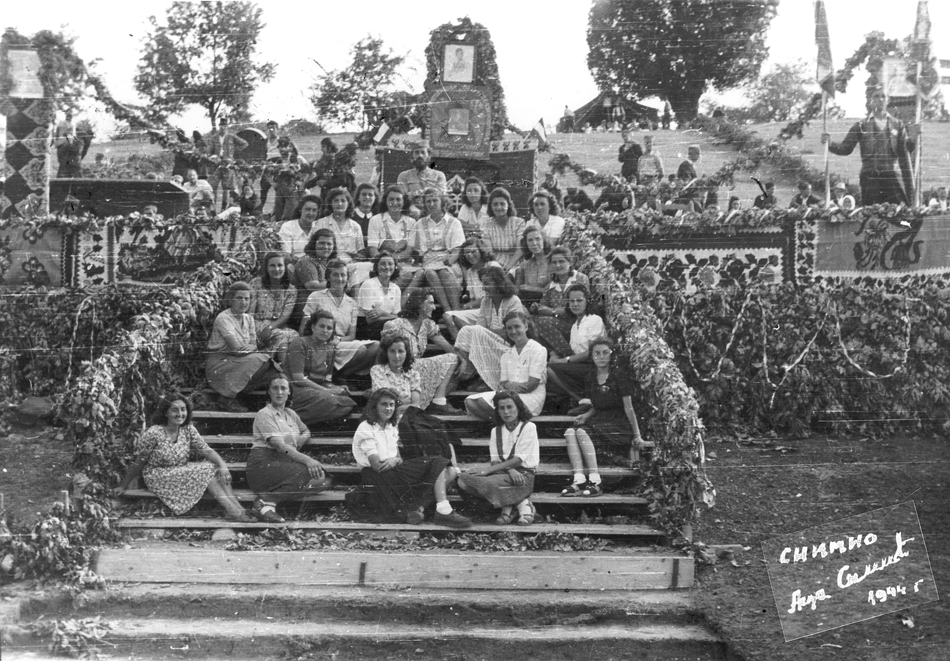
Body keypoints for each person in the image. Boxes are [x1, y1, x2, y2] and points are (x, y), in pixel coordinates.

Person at [113, 393, 253, 522]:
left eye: (183, 409)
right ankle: (233, 511)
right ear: (165, 412)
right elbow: (139, 461)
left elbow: (206, 450)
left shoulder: (187, 429)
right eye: (175, 410)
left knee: (215, 467)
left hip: (180, 471)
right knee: (206, 470)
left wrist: (222, 465)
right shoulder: (154, 433)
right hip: (158, 475)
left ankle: (240, 509)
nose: (180, 414)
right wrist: (123, 486)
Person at [352, 388, 471, 527]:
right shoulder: (366, 428)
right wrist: (395, 460)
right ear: (374, 406)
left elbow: (398, 458)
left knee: (450, 471)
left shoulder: (390, 426)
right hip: (378, 477)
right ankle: (443, 511)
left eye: (391, 405)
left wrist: (396, 460)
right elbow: (377, 465)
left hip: (392, 472)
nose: (388, 408)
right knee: (437, 462)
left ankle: (419, 509)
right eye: (383, 404)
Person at [561, 338, 645, 497]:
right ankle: (579, 480)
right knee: (570, 432)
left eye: (605, 353)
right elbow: (597, 404)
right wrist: (586, 415)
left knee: (581, 432)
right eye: (597, 353)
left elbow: (629, 408)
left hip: (618, 423)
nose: (601, 357)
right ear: (592, 356)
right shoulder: (590, 377)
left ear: (611, 355)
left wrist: (637, 435)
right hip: (600, 420)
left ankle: (595, 481)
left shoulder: (619, 376)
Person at [247, 376, 333, 523]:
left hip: (283, 465)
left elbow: (306, 431)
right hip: (263, 466)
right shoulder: (265, 414)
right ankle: (265, 503)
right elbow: (279, 446)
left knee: (324, 480)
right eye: (275, 388)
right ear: (269, 392)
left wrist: (299, 441)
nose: (279, 392)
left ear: (289, 392)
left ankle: (267, 502)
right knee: (308, 473)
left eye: (283, 388)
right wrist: (308, 460)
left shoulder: (290, 414)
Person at [822, 86, 917, 206]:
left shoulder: (898, 125)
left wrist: (915, 137)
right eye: (876, 96)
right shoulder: (861, 125)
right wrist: (829, 143)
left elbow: (905, 155)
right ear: (870, 101)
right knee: (871, 212)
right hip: (870, 177)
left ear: (888, 100)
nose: (880, 99)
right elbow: (846, 148)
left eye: (883, 96)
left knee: (900, 211)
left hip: (891, 177)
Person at [457, 391, 538, 526]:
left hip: (523, 476)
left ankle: (518, 506)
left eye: (510, 407)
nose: (506, 412)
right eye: (502, 408)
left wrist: (489, 470)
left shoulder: (529, 427)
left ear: (518, 408)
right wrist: (509, 470)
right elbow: (495, 459)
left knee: (487, 483)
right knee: (463, 481)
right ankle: (517, 502)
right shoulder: (496, 431)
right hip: (503, 472)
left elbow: (519, 459)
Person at [205, 282, 283, 413]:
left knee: (272, 371)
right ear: (231, 299)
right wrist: (249, 348)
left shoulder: (248, 319)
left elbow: (253, 346)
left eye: (247, 298)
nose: (244, 302)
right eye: (239, 298)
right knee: (261, 359)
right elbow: (236, 349)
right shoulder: (224, 318)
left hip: (240, 360)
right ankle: (227, 398)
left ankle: (238, 396)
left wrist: (248, 348)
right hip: (220, 364)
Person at [382, 289, 462, 415]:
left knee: (452, 358)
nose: (434, 307)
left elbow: (447, 347)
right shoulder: (395, 325)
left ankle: (438, 401)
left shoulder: (427, 325)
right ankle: (437, 402)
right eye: (430, 303)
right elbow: (383, 354)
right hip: (400, 369)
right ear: (419, 304)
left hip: (417, 368)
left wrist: (462, 359)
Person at [464, 310, 547, 421]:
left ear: (526, 327)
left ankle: (510, 423)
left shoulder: (538, 349)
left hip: (531, 397)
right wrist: (509, 385)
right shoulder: (506, 355)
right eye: (509, 328)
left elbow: (532, 385)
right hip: (510, 394)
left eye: (517, 326)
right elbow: (503, 382)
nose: (513, 331)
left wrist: (509, 388)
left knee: (482, 402)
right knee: (470, 401)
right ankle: (506, 423)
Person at [300, 260, 379, 375]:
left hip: (341, 343)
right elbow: (303, 329)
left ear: (347, 278)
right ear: (328, 277)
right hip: (320, 342)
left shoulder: (352, 303)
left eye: (343, 275)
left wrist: (338, 340)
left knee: (376, 346)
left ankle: (344, 373)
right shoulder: (316, 296)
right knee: (361, 350)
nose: (340, 278)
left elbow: (351, 336)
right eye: (335, 275)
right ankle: (339, 374)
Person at [454, 264, 525, 389]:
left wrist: (485, 333)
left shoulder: (513, 300)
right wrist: (484, 333)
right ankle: (476, 372)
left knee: (474, 331)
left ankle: (479, 375)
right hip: (492, 342)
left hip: (511, 345)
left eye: (487, 283)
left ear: (498, 283)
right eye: (483, 283)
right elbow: (480, 327)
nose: (483, 287)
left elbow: (513, 332)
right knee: (469, 331)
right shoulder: (486, 301)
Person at [285, 310, 358, 426]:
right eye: (321, 326)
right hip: (296, 388)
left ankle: (297, 421)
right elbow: (298, 378)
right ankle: (290, 421)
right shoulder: (300, 343)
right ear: (313, 327)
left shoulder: (330, 349)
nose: (325, 330)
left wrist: (335, 387)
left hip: (316, 390)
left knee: (348, 404)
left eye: (329, 328)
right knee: (331, 400)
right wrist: (327, 390)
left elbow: (326, 381)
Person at [402, 187, 464, 313]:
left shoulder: (454, 222)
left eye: (435, 200)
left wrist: (447, 263)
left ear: (442, 202)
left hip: (448, 261)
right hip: (428, 262)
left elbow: (456, 251)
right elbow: (409, 249)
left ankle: (456, 310)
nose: (431, 204)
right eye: (428, 201)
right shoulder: (420, 223)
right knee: (430, 272)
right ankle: (447, 310)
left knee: (444, 273)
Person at [545, 283, 606, 409]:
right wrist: (554, 354)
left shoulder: (594, 320)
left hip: (593, 365)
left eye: (579, 300)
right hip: (579, 365)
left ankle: (582, 401)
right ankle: (582, 401)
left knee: (550, 369)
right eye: (572, 301)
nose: (575, 304)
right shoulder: (574, 326)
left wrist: (565, 360)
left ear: (587, 301)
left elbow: (592, 352)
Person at [530, 247, 591, 356]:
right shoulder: (550, 287)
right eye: (554, 262)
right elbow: (543, 308)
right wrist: (537, 307)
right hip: (559, 326)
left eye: (561, 261)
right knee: (531, 322)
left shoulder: (580, 279)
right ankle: (556, 353)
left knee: (540, 322)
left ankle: (568, 354)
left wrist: (553, 312)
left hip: (577, 322)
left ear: (570, 262)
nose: (558, 265)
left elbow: (582, 307)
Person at [316, 187, 371, 290]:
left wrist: (355, 258)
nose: (339, 204)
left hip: (350, 264)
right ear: (330, 203)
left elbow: (361, 251)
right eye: (336, 200)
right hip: (328, 263)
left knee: (366, 267)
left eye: (343, 201)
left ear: (348, 203)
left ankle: (354, 297)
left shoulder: (355, 226)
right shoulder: (322, 223)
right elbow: (315, 248)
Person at [248, 252, 298, 365]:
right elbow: (250, 312)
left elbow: (285, 316)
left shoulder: (291, 289)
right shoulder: (256, 283)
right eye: (272, 266)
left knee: (294, 336)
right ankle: (282, 368)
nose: (276, 269)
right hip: (256, 324)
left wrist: (270, 327)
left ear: (285, 267)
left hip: (277, 325)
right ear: (266, 268)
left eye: (280, 265)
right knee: (281, 336)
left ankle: (286, 369)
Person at [443, 238, 494, 340]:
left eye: (473, 251)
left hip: (492, 309)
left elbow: (491, 296)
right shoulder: (470, 272)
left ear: (481, 251)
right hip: (479, 310)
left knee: (456, 318)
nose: (470, 255)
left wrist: (469, 305)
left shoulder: (491, 266)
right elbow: (473, 298)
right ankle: (463, 346)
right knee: (447, 316)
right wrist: (470, 305)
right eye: (467, 253)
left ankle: (470, 344)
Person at [291, 228, 336, 327]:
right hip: (306, 306)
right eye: (321, 243)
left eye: (329, 244)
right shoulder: (306, 261)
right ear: (314, 244)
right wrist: (336, 283)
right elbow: (312, 286)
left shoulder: (332, 262)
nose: (325, 247)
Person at [478, 188, 526, 272]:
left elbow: (520, 250)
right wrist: (499, 269)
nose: (499, 207)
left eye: (502, 204)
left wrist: (507, 267)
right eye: (495, 204)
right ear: (491, 206)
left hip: (515, 263)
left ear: (508, 205)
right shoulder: (486, 224)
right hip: (495, 263)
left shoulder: (518, 222)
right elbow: (489, 252)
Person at [357, 251, 401, 340]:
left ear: (395, 267)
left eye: (390, 264)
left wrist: (381, 313)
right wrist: (391, 317)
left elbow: (398, 317)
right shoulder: (368, 285)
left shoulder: (396, 289)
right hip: (367, 328)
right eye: (383, 264)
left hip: (387, 326)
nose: (387, 267)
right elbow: (370, 319)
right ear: (376, 267)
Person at [207, 118, 249, 211]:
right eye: (221, 126)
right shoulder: (214, 137)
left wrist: (233, 153)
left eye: (225, 126)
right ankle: (213, 208)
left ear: (227, 127)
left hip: (228, 164)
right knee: (213, 186)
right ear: (219, 126)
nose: (223, 128)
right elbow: (210, 151)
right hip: (216, 164)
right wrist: (213, 157)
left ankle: (223, 207)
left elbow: (244, 143)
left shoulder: (231, 136)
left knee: (226, 187)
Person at [367, 185, 414, 260]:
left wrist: (394, 261)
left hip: (404, 262)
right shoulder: (375, 220)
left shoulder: (411, 222)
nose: (394, 203)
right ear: (385, 201)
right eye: (391, 199)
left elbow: (409, 251)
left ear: (404, 202)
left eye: (398, 199)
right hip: (382, 262)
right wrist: (386, 261)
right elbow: (373, 250)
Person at [511, 226, 551, 306]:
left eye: (537, 239)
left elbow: (556, 291)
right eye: (530, 240)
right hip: (531, 304)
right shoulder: (527, 265)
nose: (534, 243)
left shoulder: (553, 261)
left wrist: (532, 288)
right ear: (526, 243)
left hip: (549, 303)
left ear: (544, 240)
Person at [280, 195, 320, 261]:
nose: (311, 213)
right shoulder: (288, 227)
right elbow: (286, 255)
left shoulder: (319, 226)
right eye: (307, 209)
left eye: (314, 210)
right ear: (300, 210)